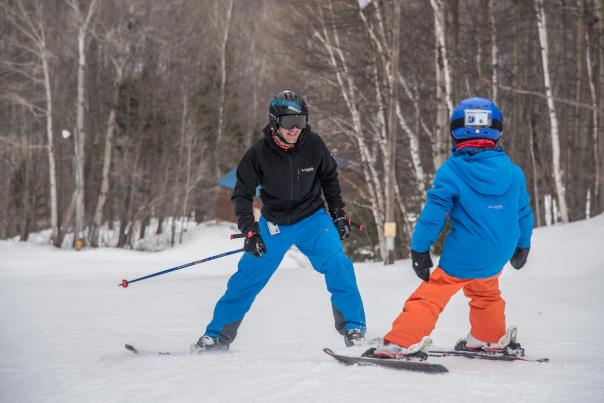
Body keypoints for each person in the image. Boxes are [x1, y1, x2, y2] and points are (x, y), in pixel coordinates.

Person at [191, 90, 366, 352]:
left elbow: (330, 179)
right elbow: (242, 195)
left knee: (339, 265)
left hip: (313, 221)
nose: (295, 129)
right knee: (247, 277)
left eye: (301, 122)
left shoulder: (314, 145)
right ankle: (217, 335)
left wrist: (338, 213)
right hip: (274, 225)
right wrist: (250, 232)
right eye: (288, 122)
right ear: (274, 122)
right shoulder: (258, 153)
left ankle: (354, 328)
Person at [373, 97, 534, 359]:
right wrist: (523, 245)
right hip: (500, 250)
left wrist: (419, 249)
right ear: (498, 130)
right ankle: (488, 337)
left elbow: (433, 215)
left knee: (432, 294)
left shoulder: (452, 171)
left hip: (465, 251)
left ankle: (398, 343)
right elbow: (523, 212)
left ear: (455, 130)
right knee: (486, 291)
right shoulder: (513, 172)